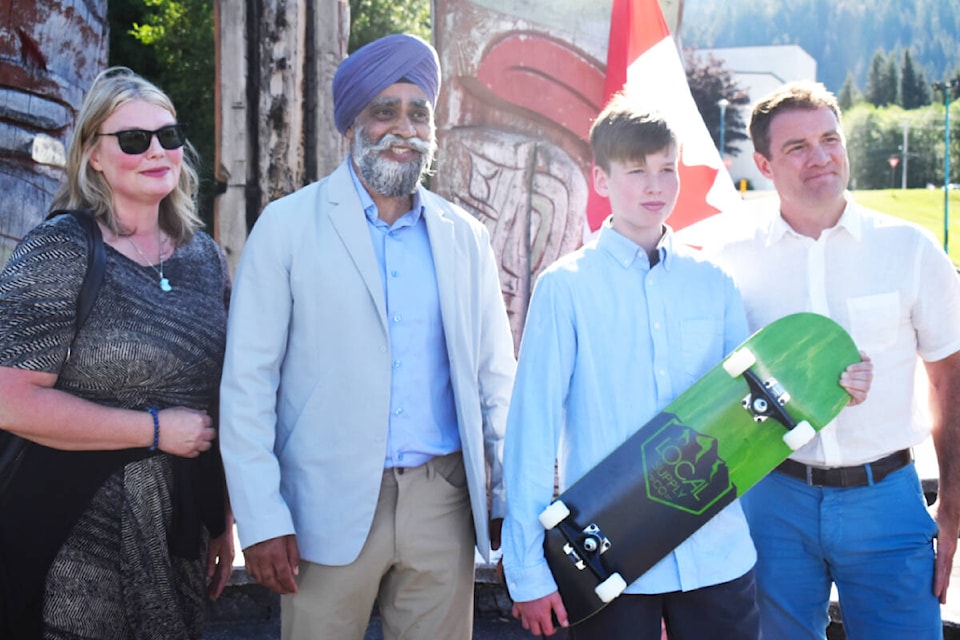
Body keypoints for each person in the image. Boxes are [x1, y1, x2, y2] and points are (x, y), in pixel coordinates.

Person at [219, 33, 516, 640]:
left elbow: (494, 379)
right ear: (351, 124)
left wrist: (507, 496)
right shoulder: (286, 228)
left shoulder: (466, 238)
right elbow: (248, 385)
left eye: (418, 113)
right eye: (384, 110)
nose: (402, 128)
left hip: (443, 502)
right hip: (320, 508)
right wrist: (262, 518)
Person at [500, 93, 770, 640]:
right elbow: (532, 432)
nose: (655, 185)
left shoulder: (713, 283)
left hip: (715, 553)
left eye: (666, 169)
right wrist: (526, 570)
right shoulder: (566, 287)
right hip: (608, 560)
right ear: (601, 180)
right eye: (636, 170)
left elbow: (748, 416)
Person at [702, 80, 960, 639]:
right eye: (797, 147)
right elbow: (710, 389)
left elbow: (950, 384)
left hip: (888, 499)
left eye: (829, 139)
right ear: (765, 166)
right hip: (773, 500)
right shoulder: (728, 260)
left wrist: (953, 510)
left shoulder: (911, 250)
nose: (820, 157)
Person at [0, 67, 234, 638]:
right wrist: (153, 430)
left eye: (168, 136)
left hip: (178, 529)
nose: (156, 151)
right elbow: (9, 401)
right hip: (70, 530)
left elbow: (215, 394)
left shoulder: (205, 259)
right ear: (93, 156)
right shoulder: (58, 250)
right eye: (133, 139)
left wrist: (220, 517)